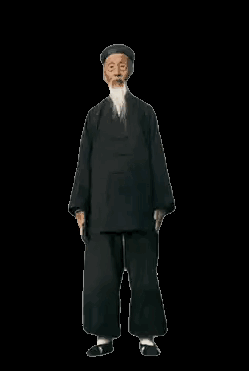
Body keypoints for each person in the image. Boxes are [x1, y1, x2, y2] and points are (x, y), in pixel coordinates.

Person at [68, 44, 175, 356]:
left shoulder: (145, 112)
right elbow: (84, 163)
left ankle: (147, 337)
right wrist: (80, 206)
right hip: (101, 208)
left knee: (144, 276)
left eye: (122, 66)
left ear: (131, 70)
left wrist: (161, 202)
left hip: (141, 206)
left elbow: (157, 157)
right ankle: (103, 338)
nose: (117, 72)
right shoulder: (94, 115)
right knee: (101, 277)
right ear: (104, 73)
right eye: (111, 67)